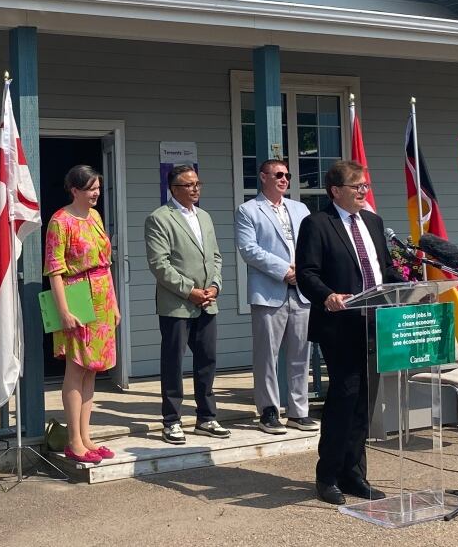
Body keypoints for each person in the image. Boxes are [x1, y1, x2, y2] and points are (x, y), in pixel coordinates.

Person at [295, 160, 403, 505]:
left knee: (364, 402)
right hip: (339, 325)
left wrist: (410, 288)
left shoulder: (373, 221)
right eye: (357, 187)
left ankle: (354, 473)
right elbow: (307, 273)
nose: (363, 192)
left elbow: (383, 270)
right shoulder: (317, 224)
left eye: (365, 187)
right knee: (344, 397)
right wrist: (327, 295)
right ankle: (327, 476)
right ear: (335, 191)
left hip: (375, 323)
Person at [145, 164, 230, 444]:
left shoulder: (204, 217)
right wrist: (190, 290)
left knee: (207, 361)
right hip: (177, 304)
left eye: (197, 184)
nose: (195, 189)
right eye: (189, 185)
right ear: (174, 189)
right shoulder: (160, 218)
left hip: (207, 302)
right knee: (173, 362)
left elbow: (215, 257)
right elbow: (160, 264)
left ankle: (207, 418)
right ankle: (172, 420)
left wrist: (215, 286)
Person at [43, 165, 121, 464]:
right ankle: (73, 440)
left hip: (101, 295)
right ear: (74, 190)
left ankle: (86, 436)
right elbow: (54, 269)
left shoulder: (96, 217)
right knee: (76, 368)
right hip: (76, 295)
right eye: (90, 188)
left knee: (92, 369)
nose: (96, 193)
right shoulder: (60, 222)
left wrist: (113, 302)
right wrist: (63, 310)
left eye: (98, 188)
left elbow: (106, 262)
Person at [234, 159, 318, 435]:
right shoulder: (248, 210)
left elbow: (310, 244)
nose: (284, 179)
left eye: (287, 175)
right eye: (278, 174)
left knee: (300, 354)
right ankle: (269, 411)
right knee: (267, 355)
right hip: (270, 291)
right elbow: (249, 249)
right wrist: (284, 271)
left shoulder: (300, 208)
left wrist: (304, 271)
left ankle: (298, 412)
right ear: (263, 177)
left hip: (302, 291)